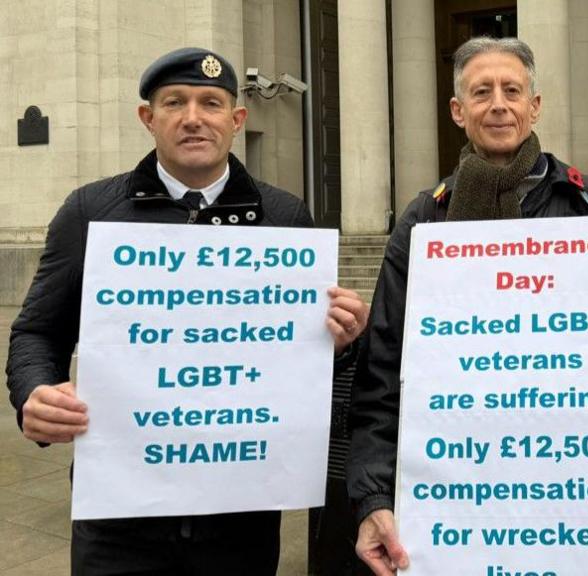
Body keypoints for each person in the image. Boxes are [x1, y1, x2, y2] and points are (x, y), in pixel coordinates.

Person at [5, 47, 369, 575]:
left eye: (211, 103)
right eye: (174, 102)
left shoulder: (284, 215)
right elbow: (37, 331)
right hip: (120, 519)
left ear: (237, 120)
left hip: (241, 515)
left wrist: (338, 342)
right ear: (147, 118)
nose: (194, 118)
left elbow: (306, 364)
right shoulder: (90, 212)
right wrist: (34, 393)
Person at [346, 36, 588, 576]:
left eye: (512, 90)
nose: (498, 104)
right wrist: (373, 497)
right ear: (458, 111)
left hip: (568, 491)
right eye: (481, 92)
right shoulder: (425, 219)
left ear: (534, 105)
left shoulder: (586, 203)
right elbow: (382, 372)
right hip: (454, 496)